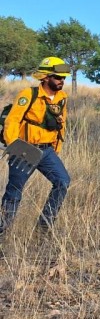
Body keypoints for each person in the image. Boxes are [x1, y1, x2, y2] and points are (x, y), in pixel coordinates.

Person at [0, 57, 71, 237]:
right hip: (24, 149)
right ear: (45, 77)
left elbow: (61, 125)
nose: (61, 81)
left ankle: (43, 228)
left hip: (47, 150)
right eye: (57, 77)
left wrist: (56, 148)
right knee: (14, 192)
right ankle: (2, 232)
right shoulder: (28, 95)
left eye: (64, 77)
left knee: (62, 181)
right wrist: (13, 145)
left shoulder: (62, 98)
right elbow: (12, 121)